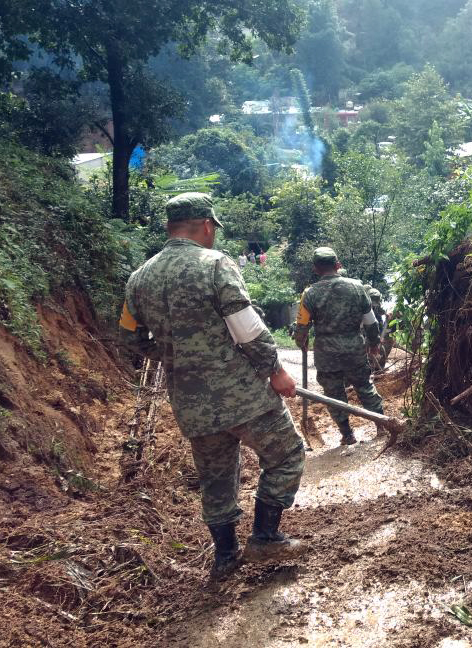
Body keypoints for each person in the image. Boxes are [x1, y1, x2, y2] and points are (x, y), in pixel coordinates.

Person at [119, 192, 306, 581]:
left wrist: (173, 354)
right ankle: (264, 537)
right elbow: (247, 329)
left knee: (216, 478)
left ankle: (225, 558)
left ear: (170, 228)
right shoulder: (215, 265)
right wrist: (275, 370)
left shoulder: (139, 279)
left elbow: (128, 338)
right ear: (206, 226)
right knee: (287, 454)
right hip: (243, 396)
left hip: (190, 403)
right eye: (213, 229)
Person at [294, 247, 384, 446]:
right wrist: (374, 343)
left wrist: (301, 341)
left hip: (326, 354)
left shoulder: (309, 294)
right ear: (337, 265)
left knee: (334, 394)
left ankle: (347, 434)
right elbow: (371, 321)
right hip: (355, 349)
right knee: (364, 386)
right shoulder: (357, 287)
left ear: (316, 269)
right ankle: (382, 426)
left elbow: (301, 328)